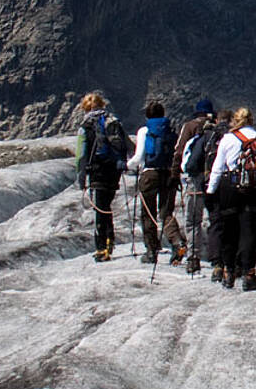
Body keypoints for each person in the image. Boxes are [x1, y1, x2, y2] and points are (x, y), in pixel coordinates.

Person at [207, 107, 256, 290]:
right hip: (253, 189)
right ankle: (249, 273)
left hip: (230, 187)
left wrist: (211, 191)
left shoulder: (228, 138)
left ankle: (228, 271)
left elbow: (218, 167)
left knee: (229, 230)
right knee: (250, 231)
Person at [73, 92, 129, 262]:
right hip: (114, 169)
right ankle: (109, 239)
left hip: (97, 170)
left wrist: (81, 176)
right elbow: (126, 143)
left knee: (100, 207)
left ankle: (101, 248)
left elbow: (81, 155)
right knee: (106, 203)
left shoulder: (86, 126)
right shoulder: (113, 121)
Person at [128, 100, 178, 264]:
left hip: (150, 174)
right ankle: (177, 243)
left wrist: (127, 165)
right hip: (168, 173)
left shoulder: (144, 130)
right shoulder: (170, 129)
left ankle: (151, 251)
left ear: (147, 115)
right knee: (166, 211)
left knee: (148, 213)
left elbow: (139, 156)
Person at [173, 99, 218, 274]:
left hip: (194, 179)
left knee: (193, 221)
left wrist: (174, 174)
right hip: (215, 177)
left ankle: (193, 258)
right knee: (216, 220)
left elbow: (179, 150)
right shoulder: (218, 130)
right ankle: (219, 261)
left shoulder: (189, 126)